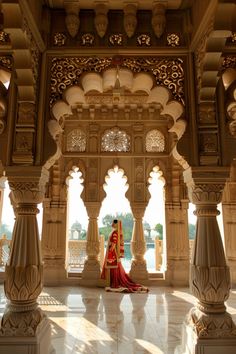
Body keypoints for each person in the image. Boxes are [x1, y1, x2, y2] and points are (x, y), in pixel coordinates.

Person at [100, 219, 148, 293]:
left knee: (114, 267)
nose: (112, 224)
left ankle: (115, 283)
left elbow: (113, 244)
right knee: (116, 267)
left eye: (113, 223)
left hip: (113, 253)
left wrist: (110, 251)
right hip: (114, 253)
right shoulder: (115, 232)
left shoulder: (115, 233)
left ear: (116, 224)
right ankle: (114, 282)